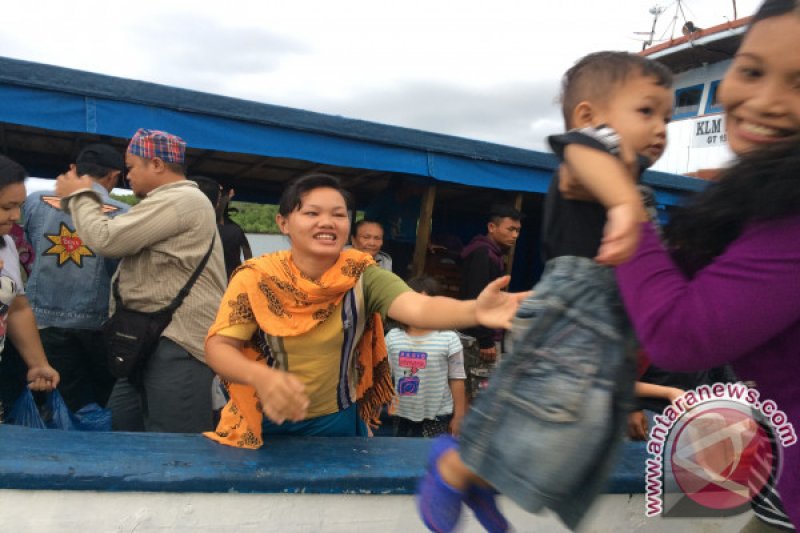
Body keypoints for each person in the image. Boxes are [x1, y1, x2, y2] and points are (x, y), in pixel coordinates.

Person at [416, 51, 672, 532]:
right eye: (646, 111)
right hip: (576, 309)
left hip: (607, 324)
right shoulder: (592, 157)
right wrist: (621, 204)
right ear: (589, 117)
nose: (660, 127)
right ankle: (455, 466)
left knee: (573, 435)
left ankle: (482, 481)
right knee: (545, 410)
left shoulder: (629, 182)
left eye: (667, 117)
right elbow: (580, 155)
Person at [611, 1, 800, 529]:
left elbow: (678, 334)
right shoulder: (764, 206)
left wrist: (625, 202)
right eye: (752, 70)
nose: (765, 102)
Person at [203, 173, 527, 448]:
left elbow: (418, 306)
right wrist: (260, 376)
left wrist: (473, 311)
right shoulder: (257, 277)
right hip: (259, 418)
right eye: (312, 213)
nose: (327, 222)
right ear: (283, 223)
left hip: (334, 422)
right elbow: (219, 347)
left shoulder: (363, 274)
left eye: (339, 214)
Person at [55, 129, 227, 433]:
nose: (127, 176)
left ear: (157, 164)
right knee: (124, 428)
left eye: (132, 167)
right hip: (148, 338)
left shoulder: (181, 199)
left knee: (174, 444)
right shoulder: (164, 202)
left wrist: (82, 194)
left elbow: (107, 239)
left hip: (177, 342)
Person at [23, 144, 129, 412]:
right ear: (113, 176)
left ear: (74, 169)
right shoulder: (121, 212)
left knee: (49, 400)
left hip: (40, 321)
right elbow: (120, 270)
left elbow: (27, 245)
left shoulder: (36, 201)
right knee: (93, 403)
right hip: (95, 323)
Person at [0, 155, 60, 419]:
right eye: (6, 207)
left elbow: (16, 308)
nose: (15, 216)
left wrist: (38, 364)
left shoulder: (7, 245)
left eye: (20, 206)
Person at [386, 276, 466, 437]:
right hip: (399, 414)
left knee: (429, 459)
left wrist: (459, 416)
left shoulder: (449, 338)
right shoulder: (392, 337)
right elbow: (382, 378)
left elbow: (457, 378)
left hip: (437, 416)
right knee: (396, 458)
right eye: (415, 301)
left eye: (427, 302)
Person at [459, 205, 522, 400]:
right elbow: (477, 298)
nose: (515, 235)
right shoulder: (483, 254)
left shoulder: (492, 253)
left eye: (518, 230)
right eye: (510, 229)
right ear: (492, 227)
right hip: (479, 339)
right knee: (481, 397)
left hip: (479, 334)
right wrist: (485, 340)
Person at [217, 188, 252, 280]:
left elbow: (248, 256)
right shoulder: (235, 229)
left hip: (231, 279)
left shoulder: (235, 229)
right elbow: (248, 256)